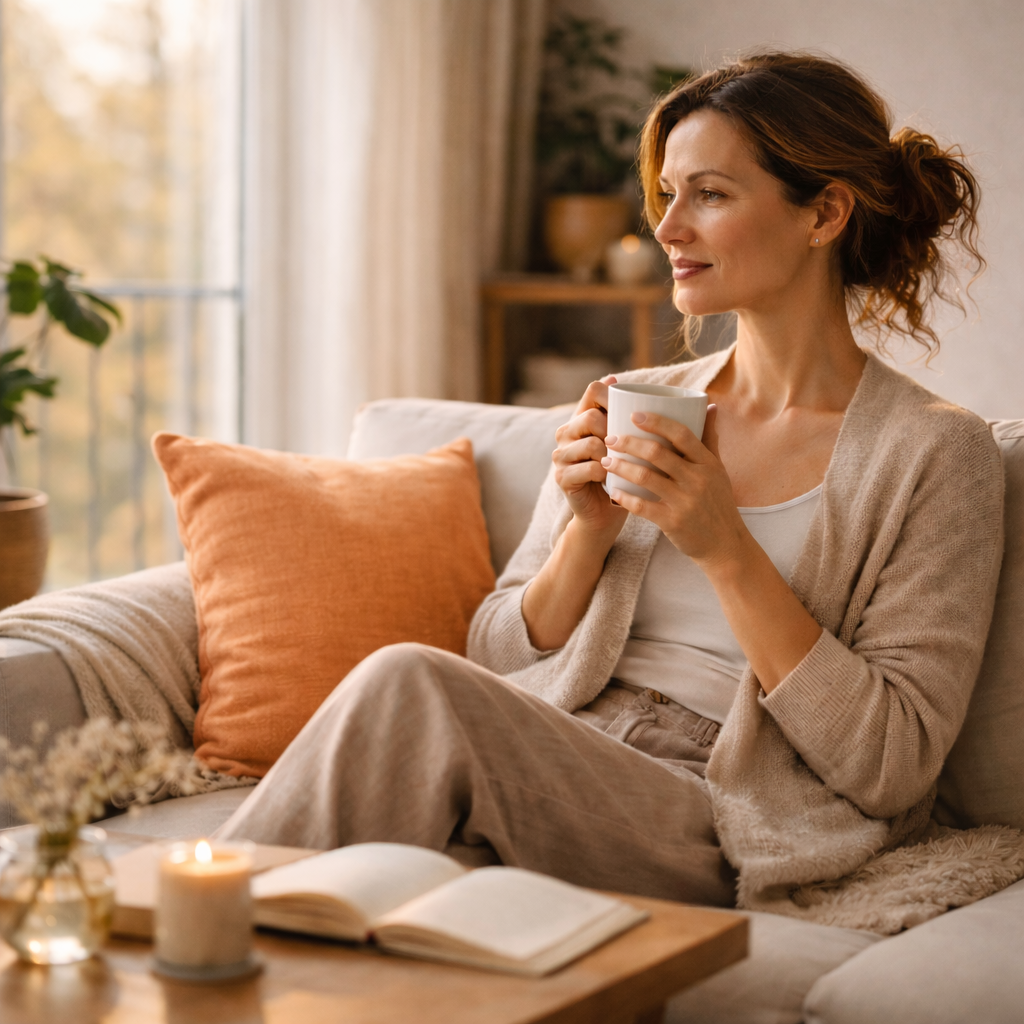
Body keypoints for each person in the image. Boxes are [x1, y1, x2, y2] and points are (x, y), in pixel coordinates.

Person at [217, 52, 1003, 912]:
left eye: (709, 194)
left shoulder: (937, 454)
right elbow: (498, 655)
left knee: (412, 684)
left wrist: (725, 548)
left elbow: (892, 764)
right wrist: (586, 535)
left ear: (824, 212)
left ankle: (192, 917)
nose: (666, 230)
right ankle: (210, 933)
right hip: (564, 740)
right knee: (366, 869)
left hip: (730, 804)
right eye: (667, 196)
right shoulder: (642, 404)